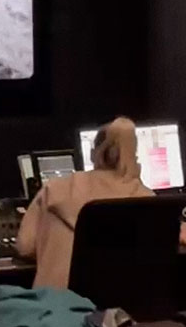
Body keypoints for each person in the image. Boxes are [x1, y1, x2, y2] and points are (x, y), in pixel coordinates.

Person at [18, 117, 155, 290]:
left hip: (57, 303)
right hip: (121, 305)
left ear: (92, 155)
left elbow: (25, 246)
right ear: (133, 155)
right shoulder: (147, 199)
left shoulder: (54, 189)